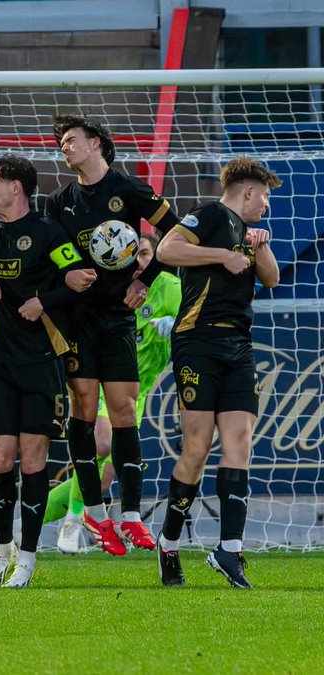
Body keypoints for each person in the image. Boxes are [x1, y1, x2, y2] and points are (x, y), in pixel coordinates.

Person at [45, 115, 182, 555]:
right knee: (86, 412)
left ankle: (130, 515)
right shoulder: (59, 201)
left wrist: (147, 277)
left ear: (97, 144)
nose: (64, 148)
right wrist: (69, 272)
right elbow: (55, 250)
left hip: (119, 319)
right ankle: (95, 514)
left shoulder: (129, 190)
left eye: (71, 141)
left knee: (123, 412)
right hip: (78, 319)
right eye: (60, 143)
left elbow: (177, 230)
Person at [0, 156, 86, 587]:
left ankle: (28, 558)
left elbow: (81, 277)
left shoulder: (47, 232)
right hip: (1, 363)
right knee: (0, 459)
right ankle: (2, 552)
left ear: (16, 189)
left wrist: (44, 301)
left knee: (33, 461)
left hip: (42, 362)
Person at [154, 156, 280, 589]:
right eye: (264, 197)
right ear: (248, 192)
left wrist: (259, 245)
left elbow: (273, 279)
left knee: (240, 443)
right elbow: (167, 249)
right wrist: (223, 255)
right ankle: (169, 543)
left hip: (239, 347)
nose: (265, 205)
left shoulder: (250, 231)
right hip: (197, 342)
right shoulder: (208, 214)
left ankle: (230, 549)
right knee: (197, 446)